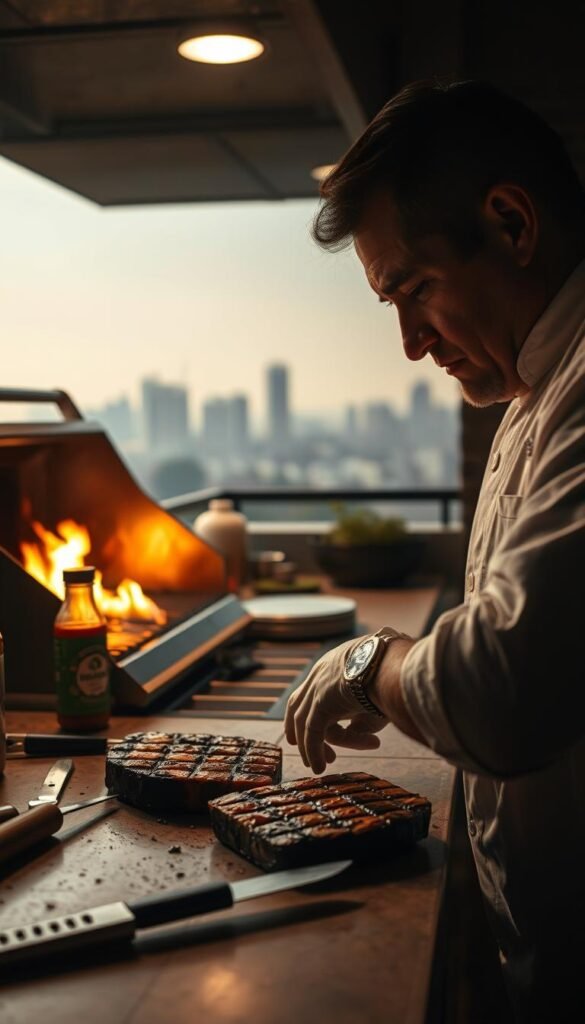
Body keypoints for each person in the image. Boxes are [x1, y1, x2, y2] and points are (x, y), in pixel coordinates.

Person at [284, 80, 585, 1021]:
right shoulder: (532, 387)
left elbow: (501, 686)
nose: (411, 343)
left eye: (414, 289)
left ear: (510, 223)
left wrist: (369, 660)